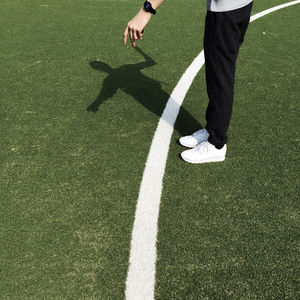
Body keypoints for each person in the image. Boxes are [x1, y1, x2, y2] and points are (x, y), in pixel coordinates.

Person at [123, 0, 253, 164]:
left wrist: (146, 11)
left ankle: (216, 144)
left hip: (226, 11)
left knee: (220, 75)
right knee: (217, 72)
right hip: (234, 7)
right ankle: (213, 129)